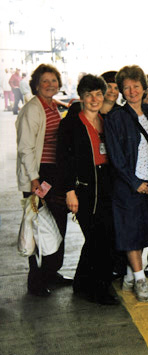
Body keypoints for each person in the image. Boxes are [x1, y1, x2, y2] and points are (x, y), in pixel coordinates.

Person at [56, 74, 118, 305]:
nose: (94, 99)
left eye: (98, 94)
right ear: (81, 97)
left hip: (105, 183)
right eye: (89, 95)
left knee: (102, 237)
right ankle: (98, 289)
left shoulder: (105, 120)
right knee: (97, 238)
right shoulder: (70, 123)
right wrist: (69, 191)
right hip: (83, 187)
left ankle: (82, 283)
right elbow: (63, 159)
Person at [104, 65, 148, 303]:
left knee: (147, 231)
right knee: (130, 233)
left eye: (136, 86)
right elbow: (116, 156)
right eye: (126, 87)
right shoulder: (115, 117)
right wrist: (135, 182)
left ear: (144, 87)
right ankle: (140, 279)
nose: (132, 91)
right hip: (129, 186)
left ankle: (131, 273)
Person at [16, 63, 72, 297]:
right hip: (38, 175)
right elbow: (26, 148)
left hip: (53, 174)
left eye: (54, 81)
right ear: (36, 84)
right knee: (39, 228)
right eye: (45, 81)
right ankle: (36, 280)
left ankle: (51, 272)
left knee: (57, 224)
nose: (50, 85)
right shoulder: (32, 109)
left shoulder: (50, 105)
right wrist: (33, 179)